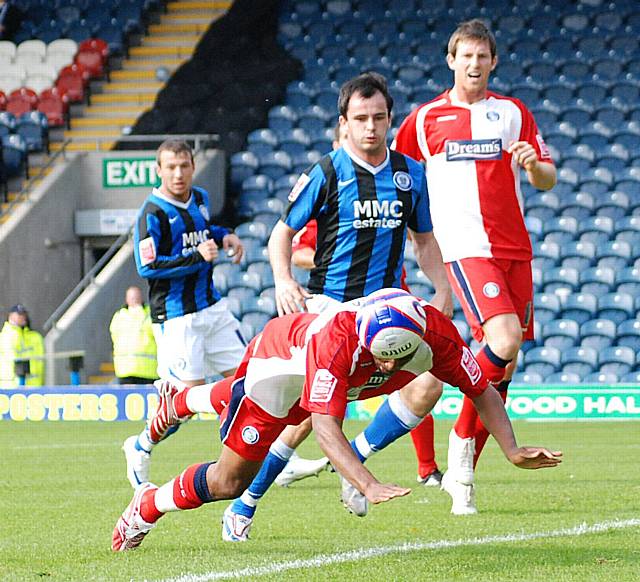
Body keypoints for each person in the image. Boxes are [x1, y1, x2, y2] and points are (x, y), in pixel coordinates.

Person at [111, 289, 562, 551]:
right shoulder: (337, 342)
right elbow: (325, 427)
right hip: (281, 364)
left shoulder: (436, 335)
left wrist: (511, 448)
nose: (385, 369)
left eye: (395, 361)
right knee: (230, 480)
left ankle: (183, 400)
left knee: (419, 389)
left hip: (320, 368)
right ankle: (149, 503)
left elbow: (481, 387)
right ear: (363, 339)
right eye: (376, 358)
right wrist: (366, 483)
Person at [225, 73, 451, 534]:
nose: (371, 127)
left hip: (387, 312)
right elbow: (282, 234)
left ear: (390, 119)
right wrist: (283, 278)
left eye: (379, 118)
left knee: (429, 385)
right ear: (344, 123)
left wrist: (442, 288)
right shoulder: (326, 172)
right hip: (331, 309)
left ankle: (356, 463)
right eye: (361, 119)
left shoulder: (410, 175)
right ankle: (245, 502)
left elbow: (424, 240)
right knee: (309, 415)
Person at [392, 19, 557, 515]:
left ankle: (463, 468)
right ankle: (460, 447)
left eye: (482, 56)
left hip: (514, 249)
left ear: (493, 62)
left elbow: (547, 179)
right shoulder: (425, 120)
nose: (474, 64)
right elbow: (396, 176)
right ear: (451, 60)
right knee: (502, 340)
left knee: (506, 363)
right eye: (466, 55)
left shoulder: (511, 113)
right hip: (465, 248)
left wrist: (533, 166)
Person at [123, 139, 246, 488]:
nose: (178, 173)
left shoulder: (202, 198)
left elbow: (204, 232)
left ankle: (273, 455)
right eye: (171, 167)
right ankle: (141, 444)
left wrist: (226, 237)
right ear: (158, 170)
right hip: (178, 317)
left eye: (184, 166)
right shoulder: (152, 213)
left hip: (213, 307)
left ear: (193, 166)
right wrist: (197, 257)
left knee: (248, 381)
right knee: (185, 403)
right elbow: (147, 267)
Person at [109, 286, 157, 385]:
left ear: (141, 298)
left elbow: (155, 332)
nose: (134, 300)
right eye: (132, 297)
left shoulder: (149, 313)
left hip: (148, 370)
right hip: (124, 369)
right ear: (127, 299)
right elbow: (115, 336)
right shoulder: (119, 316)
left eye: (136, 297)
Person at [0, 304, 45, 386]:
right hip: (13, 388)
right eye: (19, 315)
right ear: (11, 316)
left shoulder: (35, 336)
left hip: (35, 386)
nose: (23, 317)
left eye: (24, 314)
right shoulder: (5, 336)